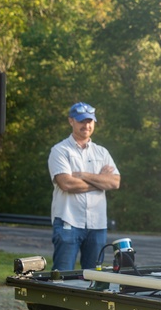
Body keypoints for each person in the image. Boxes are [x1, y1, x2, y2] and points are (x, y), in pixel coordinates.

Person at [48, 102, 121, 271]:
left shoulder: (101, 152)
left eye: (90, 121)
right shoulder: (60, 150)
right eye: (81, 121)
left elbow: (115, 182)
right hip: (68, 221)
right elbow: (66, 183)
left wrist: (82, 175)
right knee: (62, 277)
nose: (86, 125)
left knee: (94, 279)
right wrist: (100, 182)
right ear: (71, 121)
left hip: (97, 225)